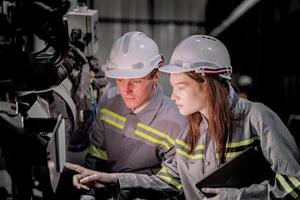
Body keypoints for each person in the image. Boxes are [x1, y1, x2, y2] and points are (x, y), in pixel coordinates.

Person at [68, 35, 300, 200]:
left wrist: (238, 196)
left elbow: (295, 183)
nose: (174, 95)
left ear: (207, 85)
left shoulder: (257, 119)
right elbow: (169, 181)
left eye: (180, 86)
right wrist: (112, 179)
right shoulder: (191, 132)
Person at [77, 31, 187, 200]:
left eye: (135, 81)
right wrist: (89, 189)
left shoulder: (174, 123)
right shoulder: (109, 101)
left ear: (156, 75)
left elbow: (171, 184)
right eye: (120, 80)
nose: (125, 90)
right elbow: (98, 154)